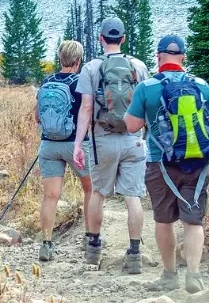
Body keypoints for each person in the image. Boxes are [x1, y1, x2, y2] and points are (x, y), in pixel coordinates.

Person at [124, 35, 209, 294]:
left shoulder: (146, 87)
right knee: (193, 220)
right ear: (183, 58)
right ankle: (194, 275)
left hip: (160, 163)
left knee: (164, 220)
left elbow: (132, 126)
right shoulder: (201, 85)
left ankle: (169, 276)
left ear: (158, 57)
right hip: (196, 162)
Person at [73, 17, 150, 272]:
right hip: (133, 138)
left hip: (102, 138)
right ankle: (135, 253)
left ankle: (93, 250)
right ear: (123, 38)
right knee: (132, 196)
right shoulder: (138, 66)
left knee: (98, 193)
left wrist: (78, 144)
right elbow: (146, 104)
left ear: (101, 39)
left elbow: (86, 108)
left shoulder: (91, 68)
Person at [35, 40, 93, 262]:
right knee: (90, 190)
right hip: (76, 144)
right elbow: (88, 113)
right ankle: (90, 237)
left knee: (50, 196)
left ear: (60, 59)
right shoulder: (81, 83)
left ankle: (46, 244)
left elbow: (37, 116)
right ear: (78, 61)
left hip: (49, 145)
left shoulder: (47, 82)